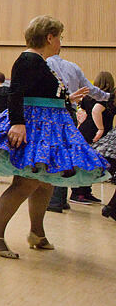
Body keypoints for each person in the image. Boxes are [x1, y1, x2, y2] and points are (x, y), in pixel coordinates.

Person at [0, 15, 110, 258]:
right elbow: (16, 92)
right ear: (49, 37)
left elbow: (41, 92)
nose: (60, 43)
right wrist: (17, 123)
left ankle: (37, 232)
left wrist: (68, 99)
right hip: (34, 125)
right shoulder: (28, 59)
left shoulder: (39, 61)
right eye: (58, 37)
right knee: (26, 182)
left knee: (44, 180)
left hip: (47, 124)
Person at [44, 55, 110, 212]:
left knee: (55, 156)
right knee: (65, 155)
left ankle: (55, 201)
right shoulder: (72, 66)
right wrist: (109, 97)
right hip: (69, 113)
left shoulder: (44, 64)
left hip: (53, 113)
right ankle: (60, 199)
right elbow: (91, 90)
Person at [67, 72, 116, 204]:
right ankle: (78, 193)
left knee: (86, 161)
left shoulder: (90, 96)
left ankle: (84, 191)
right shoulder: (106, 98)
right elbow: (96, 110)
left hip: (85, 130)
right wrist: (100, 128)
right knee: (88, 162)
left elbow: (81, 110)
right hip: (95, 132)